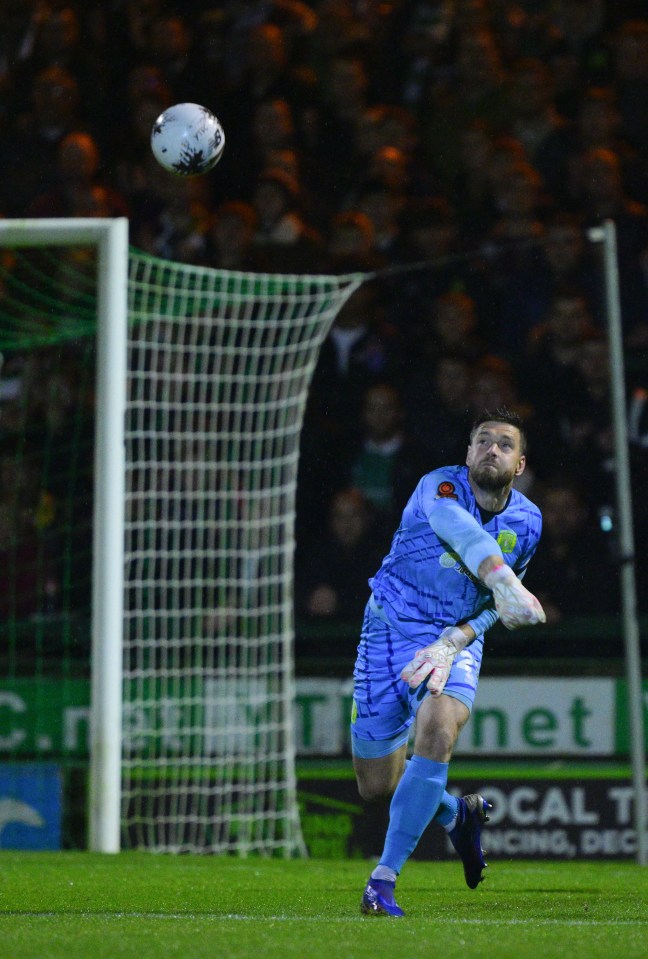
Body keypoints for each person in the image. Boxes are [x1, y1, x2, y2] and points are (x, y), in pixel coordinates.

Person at [353, 408, 546, 917]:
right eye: (482, 441)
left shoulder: (528, 521)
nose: (491, 449)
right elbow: (460, 532)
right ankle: (456, 816)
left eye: (504, 444)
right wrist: (505, 580)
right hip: (387, 628)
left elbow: (493, 611)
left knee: (437, 728)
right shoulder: (438, 489)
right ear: (467, 454)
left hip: (451, 638)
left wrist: (458, 638)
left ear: (519, 463)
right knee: (378, 785)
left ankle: (383, 881)